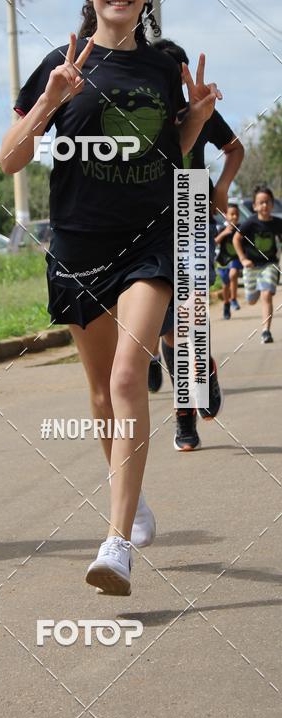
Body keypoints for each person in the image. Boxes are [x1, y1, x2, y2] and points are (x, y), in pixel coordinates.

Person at [0, 0, 220, 595]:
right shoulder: (59, 62)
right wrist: (49, 100)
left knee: (129, 376)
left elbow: (167, 153)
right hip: (78, 245)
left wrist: (196, 120)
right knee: (100, 394)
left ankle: (116, 542)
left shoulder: (164, 64)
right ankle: (135, 499)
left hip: (150, 240)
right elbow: (10, 158)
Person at [145, 39, 244, 451]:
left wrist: (220, 188)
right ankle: (191, 378)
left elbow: (234, 149)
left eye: (180, 74)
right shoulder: (138, 117)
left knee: (186, 325)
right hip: (146, 225)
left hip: (191, 212)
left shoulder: (198, 114)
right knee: (167, 331)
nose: (176, 82)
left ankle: (186, 416)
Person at [233, 184, 282, 343]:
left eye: (267, 202)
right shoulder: (250, 223)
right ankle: (252, 295)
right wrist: (242, 259)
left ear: (272, 204)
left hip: (270, 264)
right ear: (254, 206)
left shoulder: (277, 223)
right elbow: (236, 239)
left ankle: (265, 331)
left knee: (266, 294)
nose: (264, 205)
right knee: (252, 300)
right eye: (260, 202)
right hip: (251, 266)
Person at [215, 204, 243, 320]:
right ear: (226, 215)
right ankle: (226, 304)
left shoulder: (241, 228)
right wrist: (224, 233)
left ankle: (234, 299)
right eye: (232, 214)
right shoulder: (221, 229)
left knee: (233, 274)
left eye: (236, 214)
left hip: (235, 259)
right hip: (223, 260)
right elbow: (215, 242)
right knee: (225, 285)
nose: (234, 216)